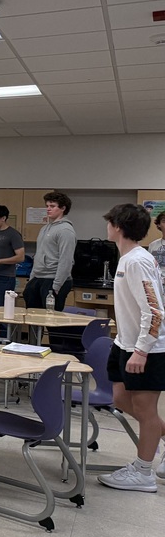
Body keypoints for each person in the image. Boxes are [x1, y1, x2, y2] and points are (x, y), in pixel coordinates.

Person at [96, 204, 165, 493]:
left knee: (146, 410)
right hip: (124, 341)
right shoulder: (127, 259)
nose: (107, 226)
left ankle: (144, 472)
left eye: (109, 222)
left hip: (146, 348)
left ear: (118, 227)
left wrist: (141, 350)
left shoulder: (137, 261)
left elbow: (155, 311)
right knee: (121, 399)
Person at [22, 190, 76, 311]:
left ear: (63, 208)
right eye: (47, 206)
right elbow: (38, 255)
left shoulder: (65, 230)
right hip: (38, 277)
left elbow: (66, 260)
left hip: (53, 279)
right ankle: (34, 331)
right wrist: (32, 278)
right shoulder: (44, 229)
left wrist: (57, 285)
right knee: (32, 316)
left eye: (52, 206)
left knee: (50, 320)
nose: (48, 209)